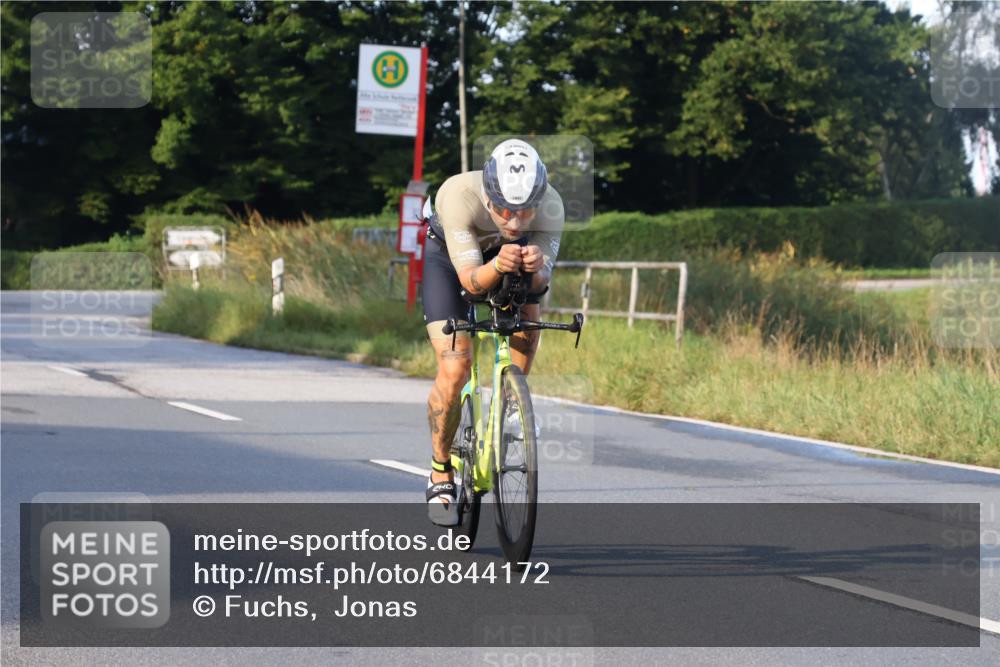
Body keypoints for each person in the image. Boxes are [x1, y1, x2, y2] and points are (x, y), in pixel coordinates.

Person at [422, 139, 564, 526]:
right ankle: (439, 471)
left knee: (529, 314)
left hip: (506, 258)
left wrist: (537, 269)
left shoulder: (552, 204)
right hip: (451, 262)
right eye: (503, 209)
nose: (515, 221)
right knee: (456, 366)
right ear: (488, 197)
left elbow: (541, 284)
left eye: (525, 211)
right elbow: (470, 284)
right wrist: (500, 265)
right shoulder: (457, 195)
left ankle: (511, 404)